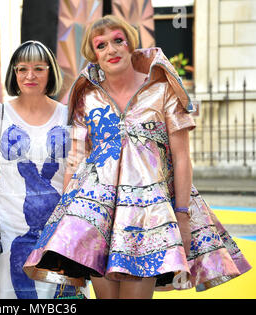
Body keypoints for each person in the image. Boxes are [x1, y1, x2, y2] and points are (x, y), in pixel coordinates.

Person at [23, 15, 251, 299]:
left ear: (130, 44)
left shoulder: (162, 89)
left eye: (118, 40)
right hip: (95, 217)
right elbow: (76, 159)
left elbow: (181, 159)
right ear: (94, 55)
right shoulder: (86, 96)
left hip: (148, 218)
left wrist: (181, 215)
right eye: (101, 45)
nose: (111, 50)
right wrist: (66, 220)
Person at [0, 40, 85, 299]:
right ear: (14, 73)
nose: (29, 76)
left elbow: (77, 182)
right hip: (11, 235)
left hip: (61, 236)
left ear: (51, 72)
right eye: (21, 69)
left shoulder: (70, 117)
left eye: (38, 69)